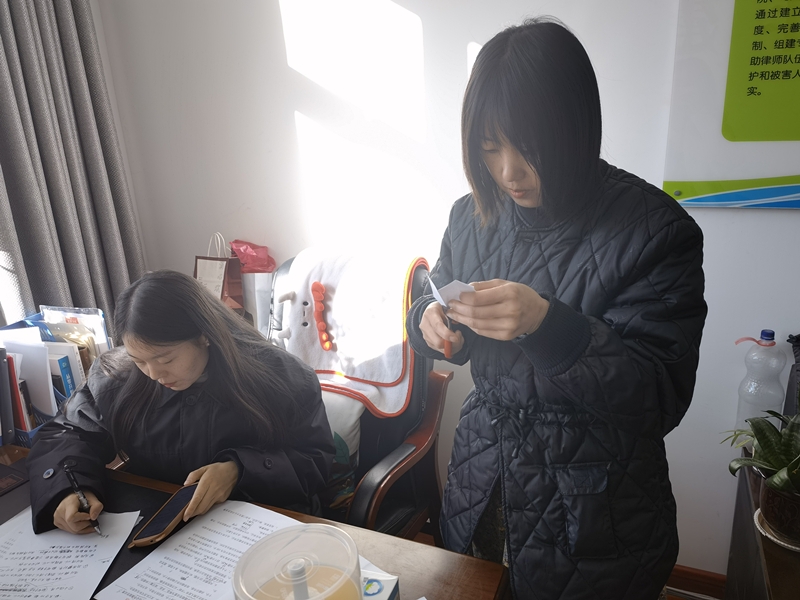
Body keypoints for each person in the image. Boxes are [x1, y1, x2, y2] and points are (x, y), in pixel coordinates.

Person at [405, 18, 706, 600]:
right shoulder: (471, 214)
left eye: (529, 148)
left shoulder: (655, 231)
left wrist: (549, 326)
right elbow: (438, 293)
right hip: (481, 481)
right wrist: (429, 322)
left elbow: (659, 396)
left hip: (595, 512)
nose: (508, 172)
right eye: (490, 148)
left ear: (575, 128)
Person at [28, 270, 335, 535]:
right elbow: (66, 433)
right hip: (158, 526)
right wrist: (69, 487)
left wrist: (239, 470)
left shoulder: (281, 377)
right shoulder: (116, 376)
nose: (154, 374)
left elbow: (315, 461)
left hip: (259, 524)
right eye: (139, 360)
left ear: (204, 335)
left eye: (166, 359)